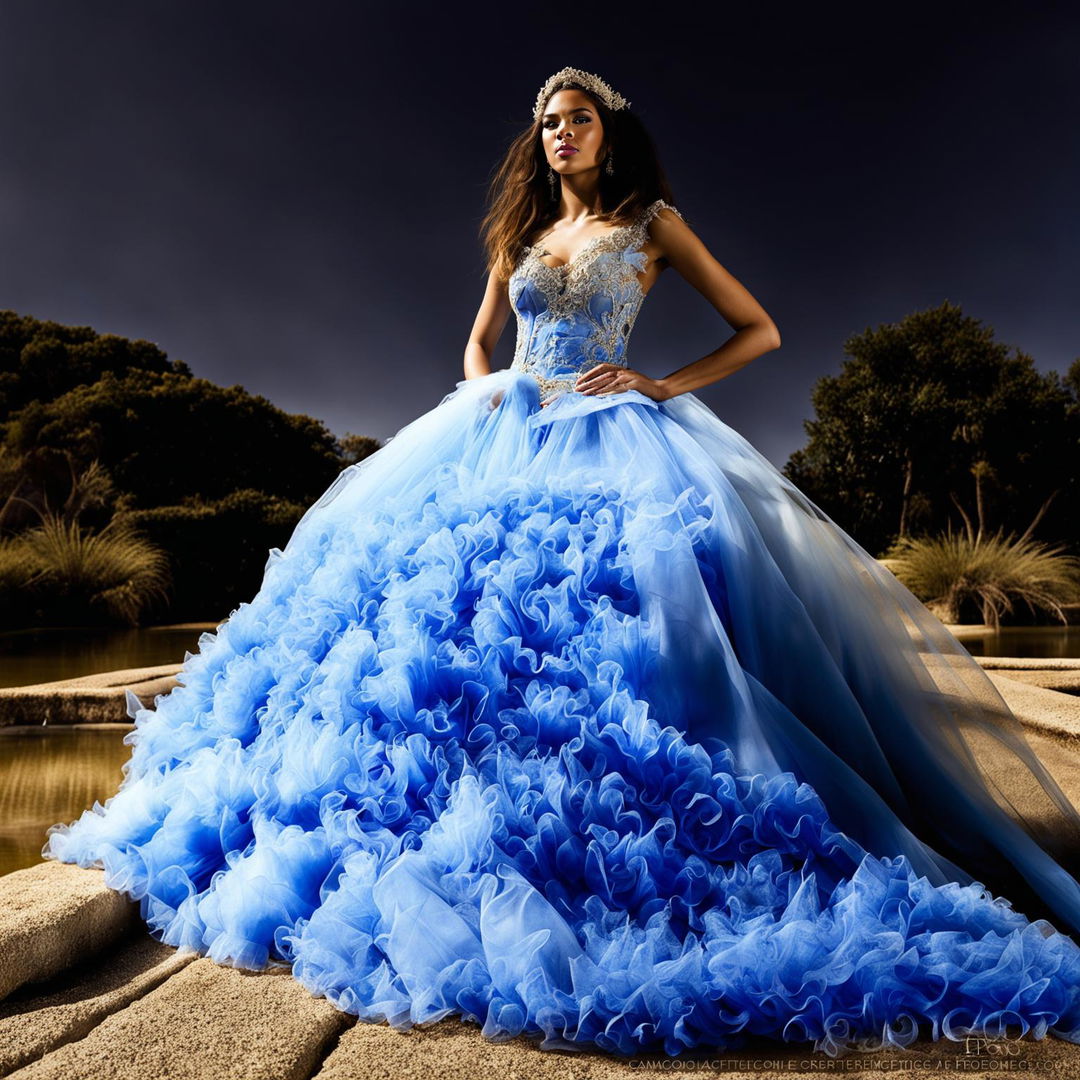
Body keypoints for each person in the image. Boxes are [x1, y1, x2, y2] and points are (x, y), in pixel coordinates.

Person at [43, 66, 1080, 1060]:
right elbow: (478, 345)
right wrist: (489, 390)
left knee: (611, 627)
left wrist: (662, 385)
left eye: (577, 118)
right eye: (548, 123)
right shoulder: (520, 233)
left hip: (614, 431)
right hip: (503, 433)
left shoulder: (652, 224)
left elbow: (758, 329)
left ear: (607, 133)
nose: (561, 133)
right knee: (442, 628)